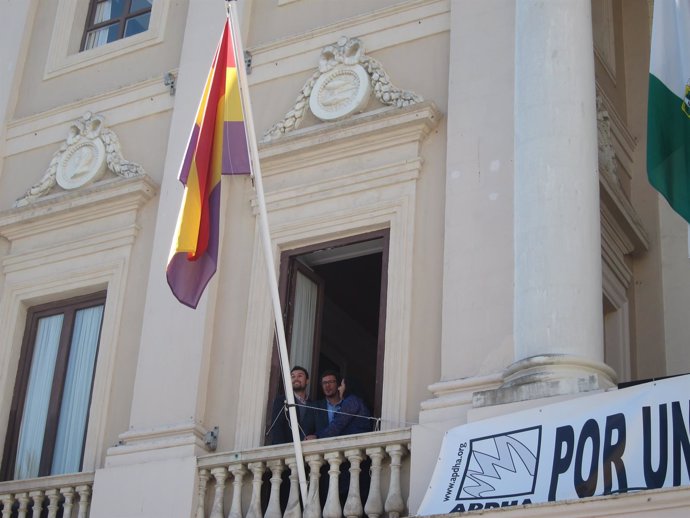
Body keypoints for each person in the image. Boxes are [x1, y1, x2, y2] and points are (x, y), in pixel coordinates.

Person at [306, 370, 372, 439]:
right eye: (324, 383)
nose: (340, 388)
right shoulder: (355, 401)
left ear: (348, 387)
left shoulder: (352, 401)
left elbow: (338, 424)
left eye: (342, 385)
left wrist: (317, 436)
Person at [268, 366, 316, 444]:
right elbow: (277, 427)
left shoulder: (313, 404)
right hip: (286, 451)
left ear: (307, 381)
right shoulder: (282, 400)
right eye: (293, 376)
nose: (296, 379)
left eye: (300, 376)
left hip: (307, 451)